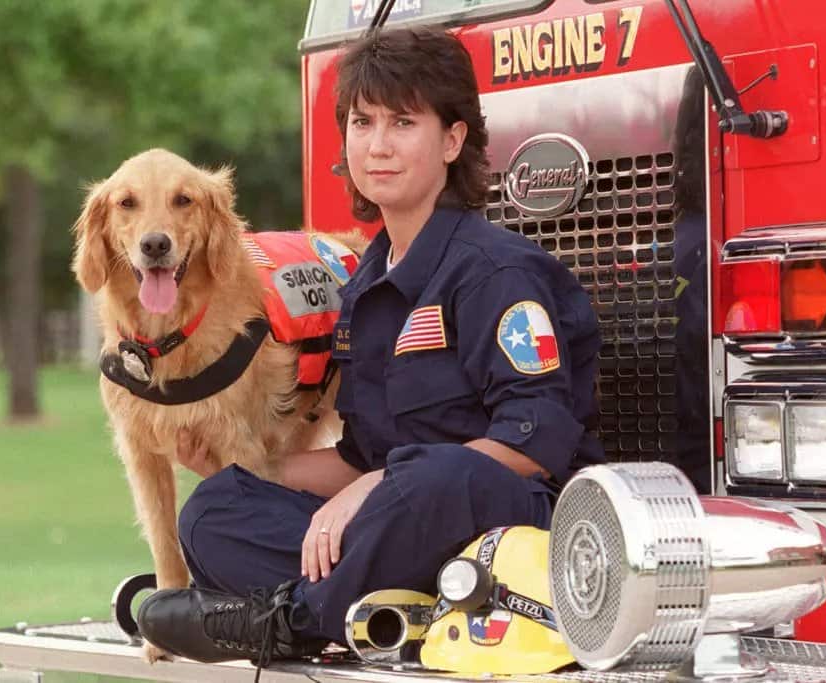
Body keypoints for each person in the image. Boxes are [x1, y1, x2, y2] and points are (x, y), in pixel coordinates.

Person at [137, 25, 604, 665]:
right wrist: (241, 470)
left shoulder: (496, 274)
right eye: (362, 123)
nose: (377, 146)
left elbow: (536, 444)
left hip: (504, 525)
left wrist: (384, 482)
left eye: (402, 123)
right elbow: (358, 456)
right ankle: (384, 612)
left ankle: (289, 621)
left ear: (452, 139)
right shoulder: (365, 285)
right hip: (393, 526)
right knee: (218, 507)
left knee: (437, 474)